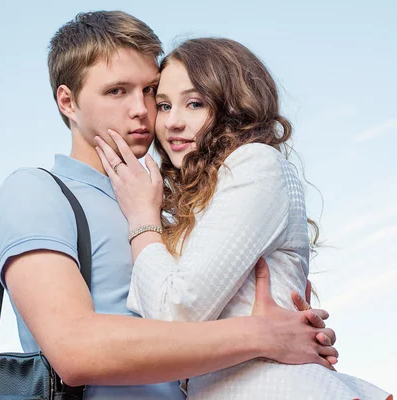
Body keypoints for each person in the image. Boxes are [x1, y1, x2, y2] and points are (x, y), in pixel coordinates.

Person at [0, 11, 338, 399]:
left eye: (150, 90)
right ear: (68, 102)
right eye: (117, 91)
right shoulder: (37, 191)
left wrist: (294, 326)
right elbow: (75, 350)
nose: (141, 109)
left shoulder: (161, 209)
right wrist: (261, 335)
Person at [95, 37, 391, 399]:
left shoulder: (254, 164)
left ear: (232, 105)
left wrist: (142, 220)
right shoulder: (202, 196)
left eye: (194, 103)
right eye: (164, 105)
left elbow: (176, 315)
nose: (172, 122)